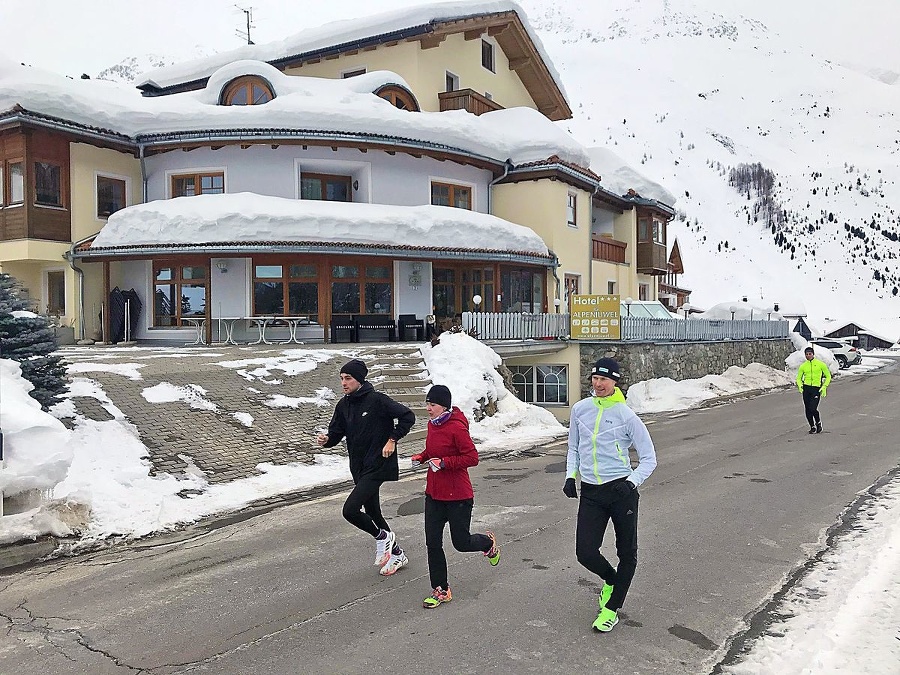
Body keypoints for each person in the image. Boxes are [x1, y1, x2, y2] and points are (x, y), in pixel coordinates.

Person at [564, 358, 657, 633]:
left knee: (626, 552)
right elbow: (573, 448)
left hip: (621, 492)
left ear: (615, 381)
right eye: (594, 378)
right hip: (591, 492)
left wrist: (631, 483)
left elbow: (649, 458)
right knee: (585, 553)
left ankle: (611, 609)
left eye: (604, 379)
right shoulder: (580, 410)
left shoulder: (627, 416)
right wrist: (571, 476)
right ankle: (611, 579)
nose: (598, 383)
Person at [317, 358, 416, 575]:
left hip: (378, 465)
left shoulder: (377, 400)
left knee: (350, 510)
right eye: (342, 378)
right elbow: (336, 433)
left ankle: (383, 537)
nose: (344, 383)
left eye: (348, 378)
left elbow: (408, 416)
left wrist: (392, 439)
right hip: (359, 467)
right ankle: (397, 554)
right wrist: (327, 440)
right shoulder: (343, 405)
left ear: (360, 380)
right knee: (373, 512)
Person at [409, 384, 500, 608]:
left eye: (433, 405)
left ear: (444, 406)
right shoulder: (433, 425)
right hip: (434, 495)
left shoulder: (456, 428)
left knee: (461, 542)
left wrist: (446, 463)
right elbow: (433, 451)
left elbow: (472, 457)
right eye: (427, 404)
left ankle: (487, 543)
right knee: (433, 543)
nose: (429, 409)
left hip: (458, 496)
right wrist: (422, 457)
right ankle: (441, 589)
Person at [796, 346, 831, 434]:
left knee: (813, 408)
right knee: (807, 409)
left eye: (810, 354)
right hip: (806, 388)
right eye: (807, 354)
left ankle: (818, 423)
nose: (808, 356)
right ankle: (812, 426)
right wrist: (800, 386)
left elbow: (828, 376)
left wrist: (824, 387)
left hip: (816, 389)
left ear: (813, 354)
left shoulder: (820, 364)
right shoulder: (803, 366)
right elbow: (799, 378)